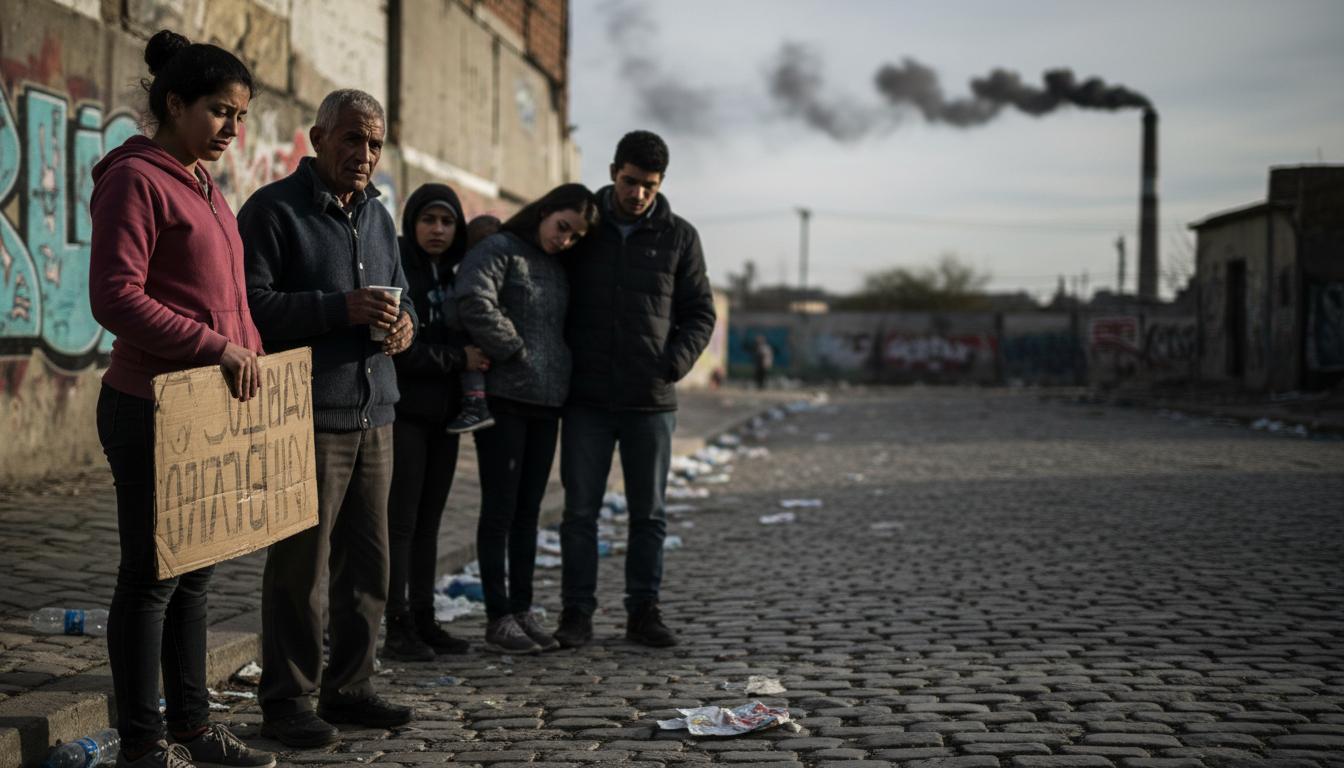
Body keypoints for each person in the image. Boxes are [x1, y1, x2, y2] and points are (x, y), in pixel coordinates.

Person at [88, 29, 275, 768]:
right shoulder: (135, 179)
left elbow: (225, 300)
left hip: (206, 409)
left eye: (241, 116)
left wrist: (252, 355)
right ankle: (143, 745)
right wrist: (215, 347)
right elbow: (115, 297)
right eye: (220, 111)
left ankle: (193, 731)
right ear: (174, 103)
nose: (233, 129)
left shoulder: (204, 185)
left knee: (196, 577)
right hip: (148, 406)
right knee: (151, 578)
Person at [239, 89, 417, 747]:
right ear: (318, 139)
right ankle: (287, 700)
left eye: (375, 143)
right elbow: (251, 306)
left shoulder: (379, 215)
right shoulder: (272, 210)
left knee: (369, 566)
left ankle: (351, 687)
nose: (365, 154)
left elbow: (406, 300)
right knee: (300, 570)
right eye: (352, 139)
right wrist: (338, 309)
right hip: (307, 416)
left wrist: (406, 328)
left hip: (376, 415)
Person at [557, 130, 716, 649]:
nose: (638, 194)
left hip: (651, 400)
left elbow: (700, 312)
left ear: (661, 183)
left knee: (649, 514)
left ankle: (643, 613)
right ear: (613, 173)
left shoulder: (680, 237)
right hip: (586, 399)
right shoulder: (585, 225)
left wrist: (673, 364)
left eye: (649, 185)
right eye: (630, 182)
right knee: (580, 513)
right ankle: (576, 614)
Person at [455, 184, 600, 653]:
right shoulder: (501, 249)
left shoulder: (557, 266)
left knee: (528, 513)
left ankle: (521, 609)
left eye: (575, 236)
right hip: (505, 399)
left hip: (547, 403)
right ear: (544, 211)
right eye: (563, 227)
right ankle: (498, 616)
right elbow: (472, 298)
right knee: (500, 509)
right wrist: (514, 349)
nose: (565, 240)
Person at [382, 184, 489, 661]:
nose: (438, 230)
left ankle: (424, 618)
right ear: (413, 223)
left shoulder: (459, 272)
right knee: (402, 524)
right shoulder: (398, 266)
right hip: (405, 415)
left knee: (430, 524)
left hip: (446, 420)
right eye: (429, 220)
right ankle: (397, 623)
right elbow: (400, 350)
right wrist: (456, 358)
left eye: (447, 222)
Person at [442, 214, 503, 434]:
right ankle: (475, 405)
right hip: (466, 334)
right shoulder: (468, 267)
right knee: (473, 366)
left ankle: (476, 406)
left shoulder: (485, 267)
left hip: (477, 333)